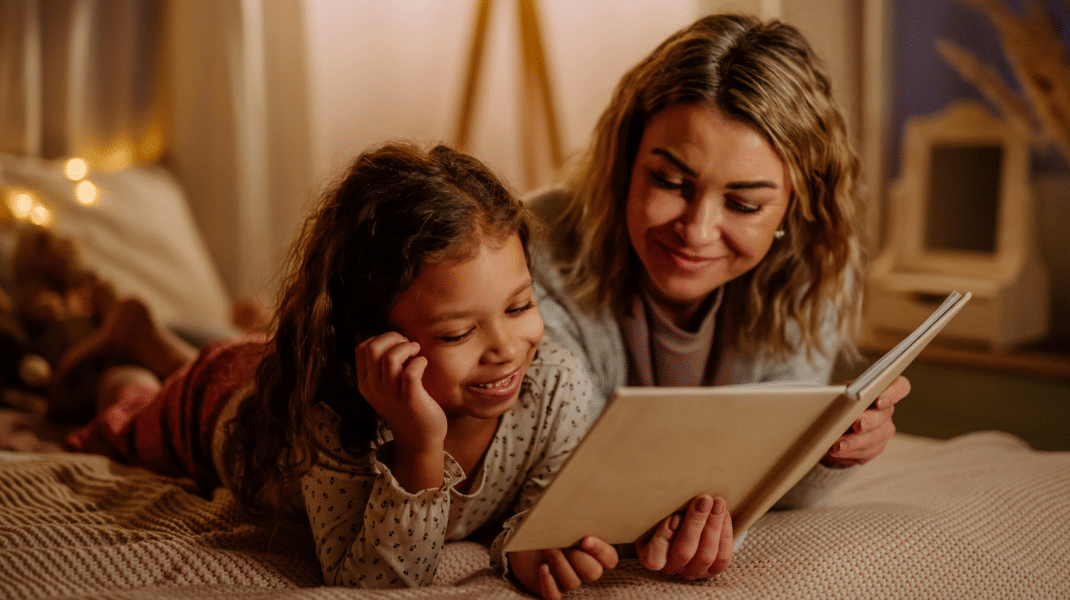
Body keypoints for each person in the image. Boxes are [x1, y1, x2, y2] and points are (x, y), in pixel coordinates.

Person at [57, 142, 644, 598]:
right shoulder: (332, 410)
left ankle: (150, 334)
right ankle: (137, 351)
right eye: (458, 332)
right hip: (218, 412)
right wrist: (419, 445)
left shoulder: (557, 384)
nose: (507, 348)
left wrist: (529, 545)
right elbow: (375, 583)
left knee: (235, 352)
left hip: (259, 365)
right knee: (127, 402)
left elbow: (543, 509)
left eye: (520, 305)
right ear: (371, 341)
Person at [529, 13, 911, 579]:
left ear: (792, 209)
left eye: (745, 205)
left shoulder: (808, 269)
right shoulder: (529, 247)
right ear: (624, 161)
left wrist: (831, 446)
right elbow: (555, 466)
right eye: (669, 182)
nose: (698, 230)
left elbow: (780, 485)